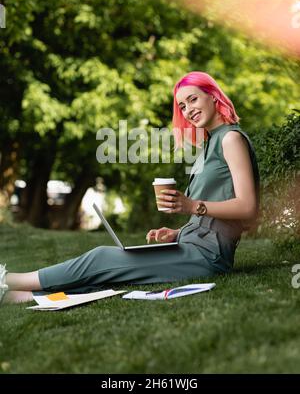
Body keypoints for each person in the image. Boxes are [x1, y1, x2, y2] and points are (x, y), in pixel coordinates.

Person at [0, 71, 260, 304]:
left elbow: (247, 207)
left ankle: (11, 279)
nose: (188, 110)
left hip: (207, 257)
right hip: (191, 247)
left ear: (213, 97)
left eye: (193, 99)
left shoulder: (231, 139)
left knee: (102, 258)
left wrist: (191, 205)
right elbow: (212, 218)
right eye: (182, 106)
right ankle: (25, 296)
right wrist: (177, 233)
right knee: (114, 271)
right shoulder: (210, 144)